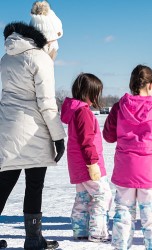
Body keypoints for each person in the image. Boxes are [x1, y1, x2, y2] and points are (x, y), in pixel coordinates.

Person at [0, 1, 65, 249]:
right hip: (33, 132)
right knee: (34, 183)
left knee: (4, 182)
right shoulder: (40, 58)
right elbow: (47, 103)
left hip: (7, 128)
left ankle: (34, 239)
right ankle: (33, 239)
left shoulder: (7, 57)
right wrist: (58, 137)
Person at [103, 65, 152, 250]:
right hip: (148, 171)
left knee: (123, 213)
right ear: (151, 85)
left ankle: (120, 247)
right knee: (151, 217)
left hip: (124, 169)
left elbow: (109, 136)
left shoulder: (119, 107)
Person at [60, 73, 112, 242]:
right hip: (89, 164)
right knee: (102, 195)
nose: (97, 96)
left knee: (83, 198)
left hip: (77, 165)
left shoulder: (75, 111)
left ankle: (80, 230)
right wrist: (93, 163)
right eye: (96, 92)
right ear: (89, 92)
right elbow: (87, 140)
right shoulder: (83, 112)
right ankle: (98, 232)